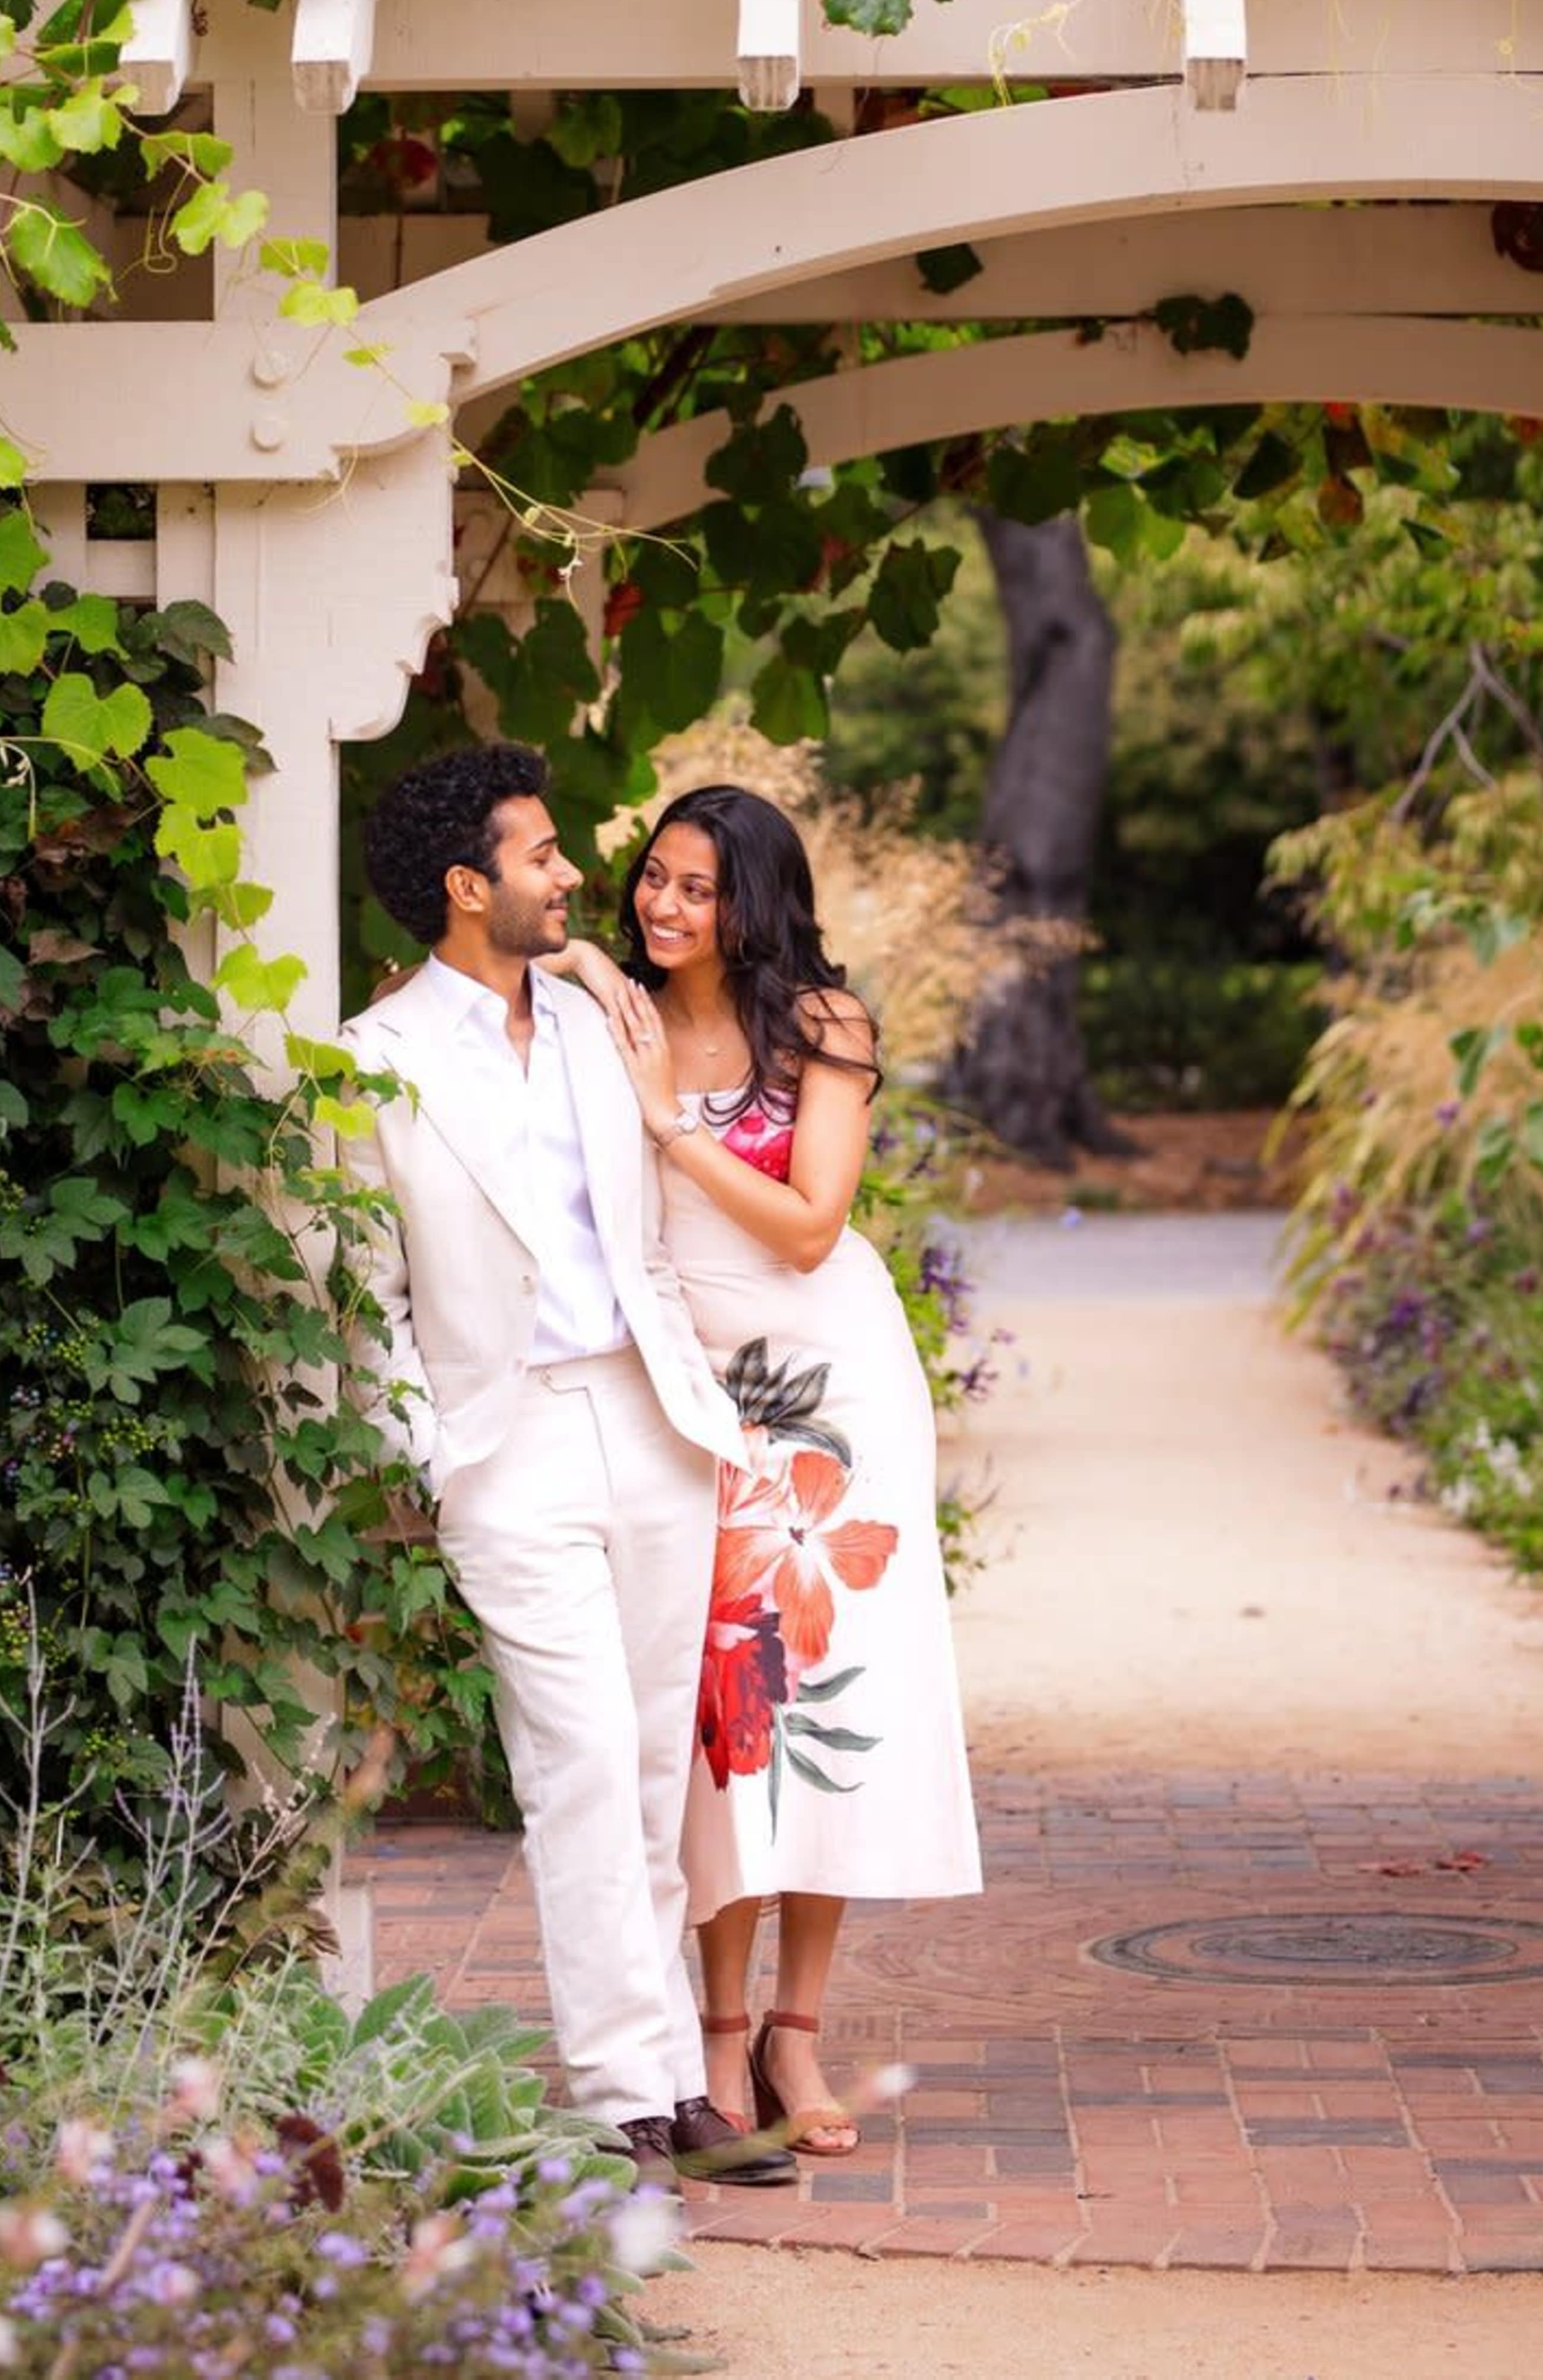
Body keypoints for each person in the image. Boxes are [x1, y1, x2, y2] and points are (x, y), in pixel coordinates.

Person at [337, 740, 797, 2191]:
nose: (571, 872)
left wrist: (702, 1411)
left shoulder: (606, 1017)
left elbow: (647, 1230)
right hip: (507, 1437)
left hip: (651, 1422)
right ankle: (620, 2088)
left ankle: (673, 2075)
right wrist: (438, 1457)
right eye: (542, 855)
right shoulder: (375, 1060)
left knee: (658, 1759)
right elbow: (363, 1296)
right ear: (469, 886)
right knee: (582, 1757)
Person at [556, 784, 981, 2159]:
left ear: (757, 898)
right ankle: (714, 2034)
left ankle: (797, 2031)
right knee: (722, 1725)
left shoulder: (821, 1028)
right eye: (654, 880)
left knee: (829, 1711)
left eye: (699, 887)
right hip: (697, 1395)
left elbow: (810, 1226)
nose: (665, 907)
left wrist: (670, 1123)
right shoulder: (614, 1007)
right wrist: (564, 956)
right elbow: (516, 966)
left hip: (835, 1392)